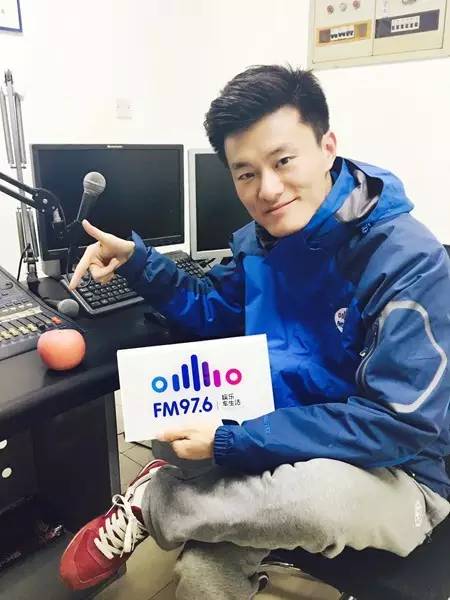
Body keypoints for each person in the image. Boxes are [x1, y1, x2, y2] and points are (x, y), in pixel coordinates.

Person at [59, 65, 450, 599]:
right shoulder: (259, 243)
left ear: (327, 147)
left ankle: (154, 503)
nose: (267, 190)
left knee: (314, 500)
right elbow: (212, 310)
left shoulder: (407, 262)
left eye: (284, 161)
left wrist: (234, 441)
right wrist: (138, 264)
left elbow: (396, 424)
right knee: (200, 570)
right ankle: (188, 501)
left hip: (396, 472)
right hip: (283, 441)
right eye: (245, 174)